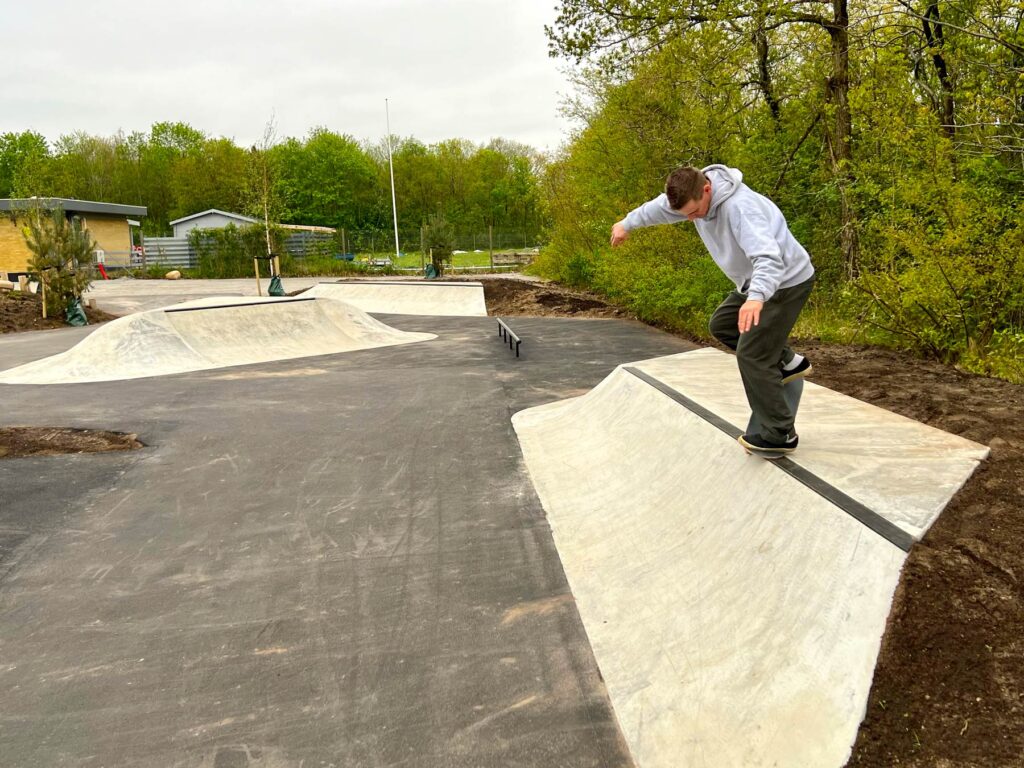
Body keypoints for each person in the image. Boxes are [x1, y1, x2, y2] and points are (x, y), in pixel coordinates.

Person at [610, 164, 815, 456]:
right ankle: (788, 363)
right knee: (722, 324)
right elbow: (656, 210)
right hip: (753, 284)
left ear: (707, 189)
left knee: (752, 355)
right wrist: (626, 224)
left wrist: (756, 298)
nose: (693, 219)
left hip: (785, 282)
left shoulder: (741, 208)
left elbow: (769, 258)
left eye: (695, 212)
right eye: (686, 215)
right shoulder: (689, 197)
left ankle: (780, 434)